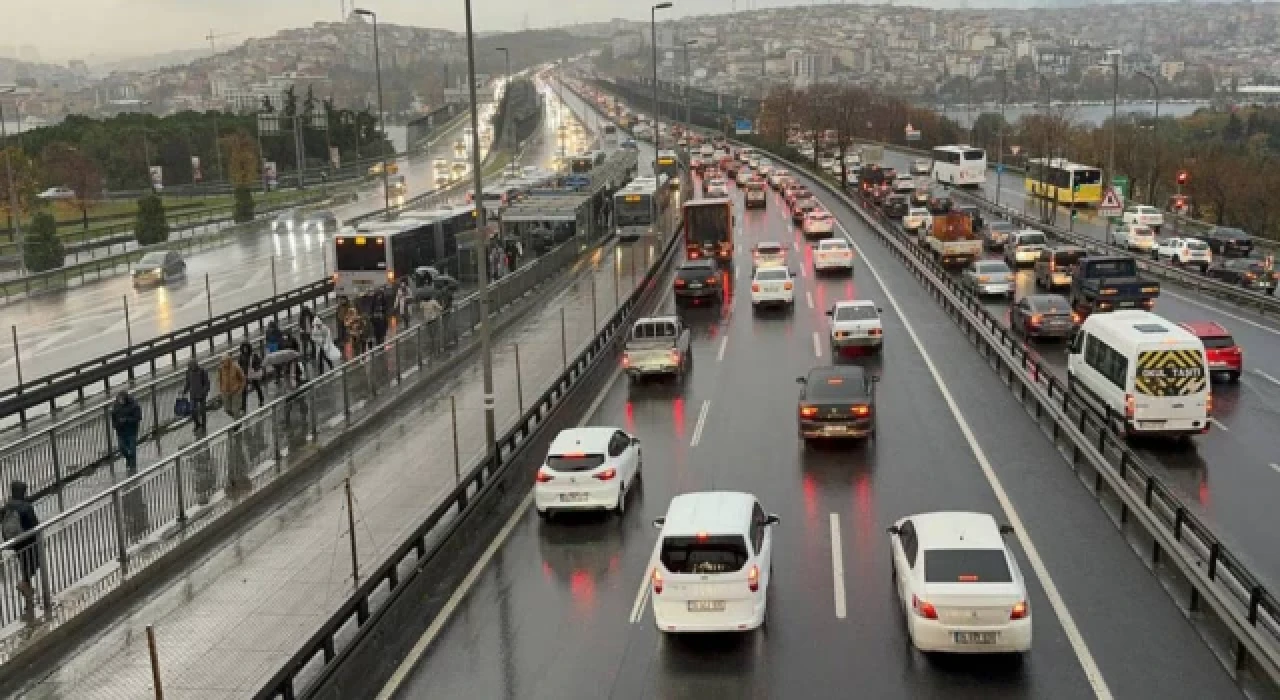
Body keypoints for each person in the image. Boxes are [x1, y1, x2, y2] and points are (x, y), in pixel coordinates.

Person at [2, 480, 40, 622]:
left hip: (15, 542)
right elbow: (35, 524)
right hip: (28, 540)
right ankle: (24, 584)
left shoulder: (7, 506)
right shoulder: (26, 506)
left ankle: (28, 592)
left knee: (24, 563)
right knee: (33, 562)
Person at [110, 391, 143, 472]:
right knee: (122, 447)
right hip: (120, 431)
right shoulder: (116, 405)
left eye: (122, 399)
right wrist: (115, 424)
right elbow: (113, 416)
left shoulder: (134, 405)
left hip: (131, 430)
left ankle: (133, 465)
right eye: (119, 400)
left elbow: (138, 417)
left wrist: (126, 420)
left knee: (132, 448)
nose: (120, 401)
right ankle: (128, 459)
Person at [181, 357, 211, 431]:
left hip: (202, 395)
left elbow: (207, 384)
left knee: (202, 411)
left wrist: (204, 392)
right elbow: (188, 383)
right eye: (189, 367)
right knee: (192, 411)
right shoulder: (188, 372)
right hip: (193, 394)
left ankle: (203, 426)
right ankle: (197, 424)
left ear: (195, 365)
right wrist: (184, 391)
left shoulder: (203, 371)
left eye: (191, 366)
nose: (191, 368)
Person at [218, 353, 247, 420]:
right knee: (227, 409)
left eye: (224, 361)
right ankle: (238, 418)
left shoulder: (236, 367)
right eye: (222, 362)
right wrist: (221, 390)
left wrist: (240, 390)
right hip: (225, 392)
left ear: (228, 360)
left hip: (236, 391)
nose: (223, 363)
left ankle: (236, 426)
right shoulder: (221, 369)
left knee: (235, 409)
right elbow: (220, 380)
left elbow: (243, 379)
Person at [238, 341, 266, 411]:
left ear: (249, 348)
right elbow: (240, 365)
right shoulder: (241, 356)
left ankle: (261, 399)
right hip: (245, 375)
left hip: (253, 374)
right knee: (244, 391)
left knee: (257, 387)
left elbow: (259, 363)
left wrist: (255, 368)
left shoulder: (254, 355)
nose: (245, 349)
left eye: (246, 348)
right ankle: (243, 406)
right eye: (244, 348)